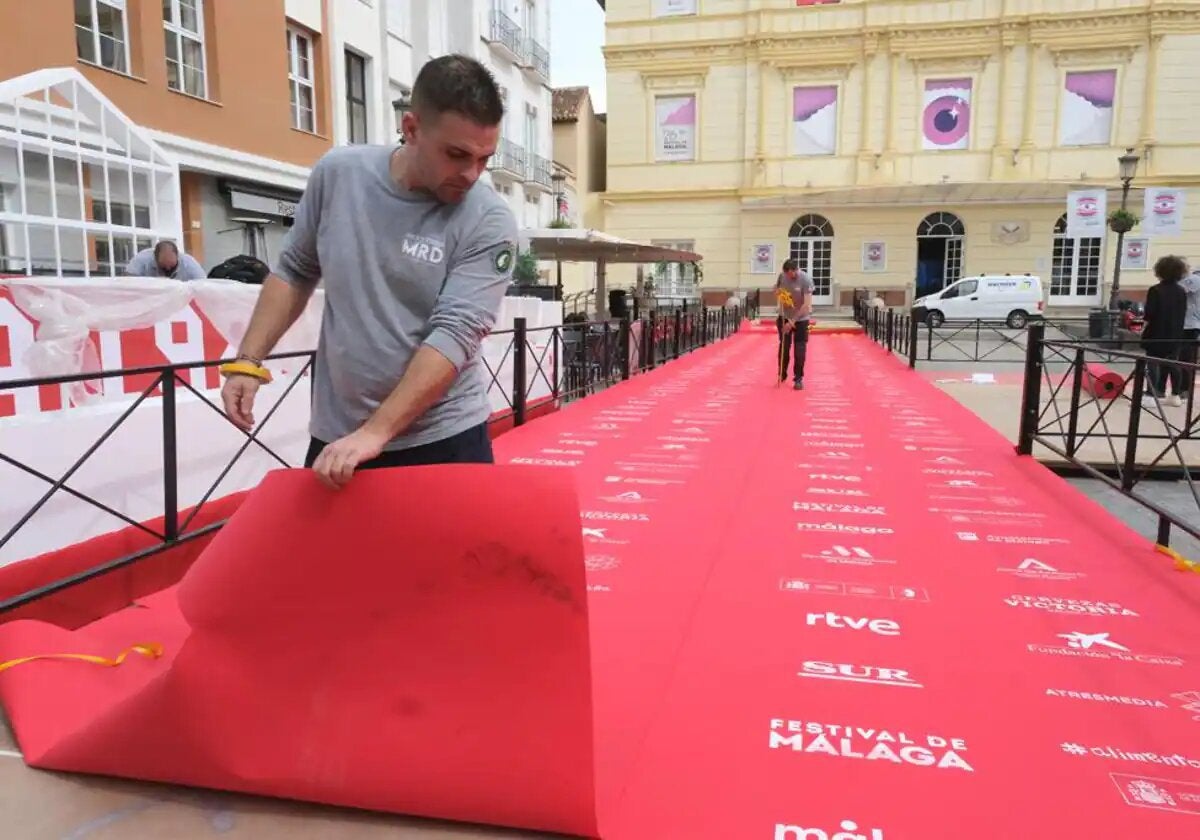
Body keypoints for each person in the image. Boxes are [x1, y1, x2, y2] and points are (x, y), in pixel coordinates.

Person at [218, 54, 518, 489]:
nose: (472, 174)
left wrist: (376, 432)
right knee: (336, 560)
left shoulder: (489, 220)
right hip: (338, 436)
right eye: (457, 155)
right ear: (411, 129)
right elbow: (294, 270)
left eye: (485, 158)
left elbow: (455, 333)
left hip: (443, 438)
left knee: (441, 561)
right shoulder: (339, 174)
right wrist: (248, 361)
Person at [1141, 254, 1189, 407]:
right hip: (1176, 332)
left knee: (1153, 362)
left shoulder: (1155, 290)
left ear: (1160, 270)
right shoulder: (1182, 291)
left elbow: (1149, 314)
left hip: (1156, 332)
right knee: (1173, 363)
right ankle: (1175, 395)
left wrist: (1143, 330)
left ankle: (1152, 394)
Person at [774, 259, 814, 389]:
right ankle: (782, 373)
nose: (788, 277)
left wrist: (792, 322)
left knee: (799, 348)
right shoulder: (782, 276)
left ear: (795, 271)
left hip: (801, 319)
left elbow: (806, 305)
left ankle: (798, 378)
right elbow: (776, 289)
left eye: (790, 274)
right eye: (786, 274)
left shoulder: (806, 280)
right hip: (784, 315)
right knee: (784, 346)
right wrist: (779, 293)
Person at [124, 240, 206, 280]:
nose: (168, 269)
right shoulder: (142, 259)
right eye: (163, 266)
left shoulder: (190, 264)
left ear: (178, 256)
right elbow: (127, 281)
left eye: (172, 265)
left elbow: (203, 286)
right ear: (154, 257)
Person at [1179, 263, 1200, 401]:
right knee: (1187, 357)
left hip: (1188, 324)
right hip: (1193, 323)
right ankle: (1184, 389)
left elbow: (1178, 290)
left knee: (1184, 357)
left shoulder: (1195, 278)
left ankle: (1183, 389)